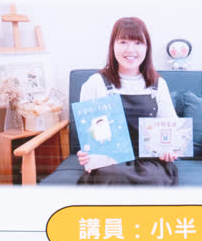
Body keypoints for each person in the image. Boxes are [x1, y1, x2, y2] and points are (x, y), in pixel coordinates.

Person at [76, 16, 179, 186]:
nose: (130, 49)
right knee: (115, 175)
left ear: (147, 48)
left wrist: (170, 149)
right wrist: (87, 154)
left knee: (153, 178)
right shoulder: (95, 83)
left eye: (138, 43)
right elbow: (88, 135)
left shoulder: (158, 84)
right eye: (123, 42)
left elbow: (171, 128)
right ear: (113, 46)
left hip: (149, 160)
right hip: (110, 160)